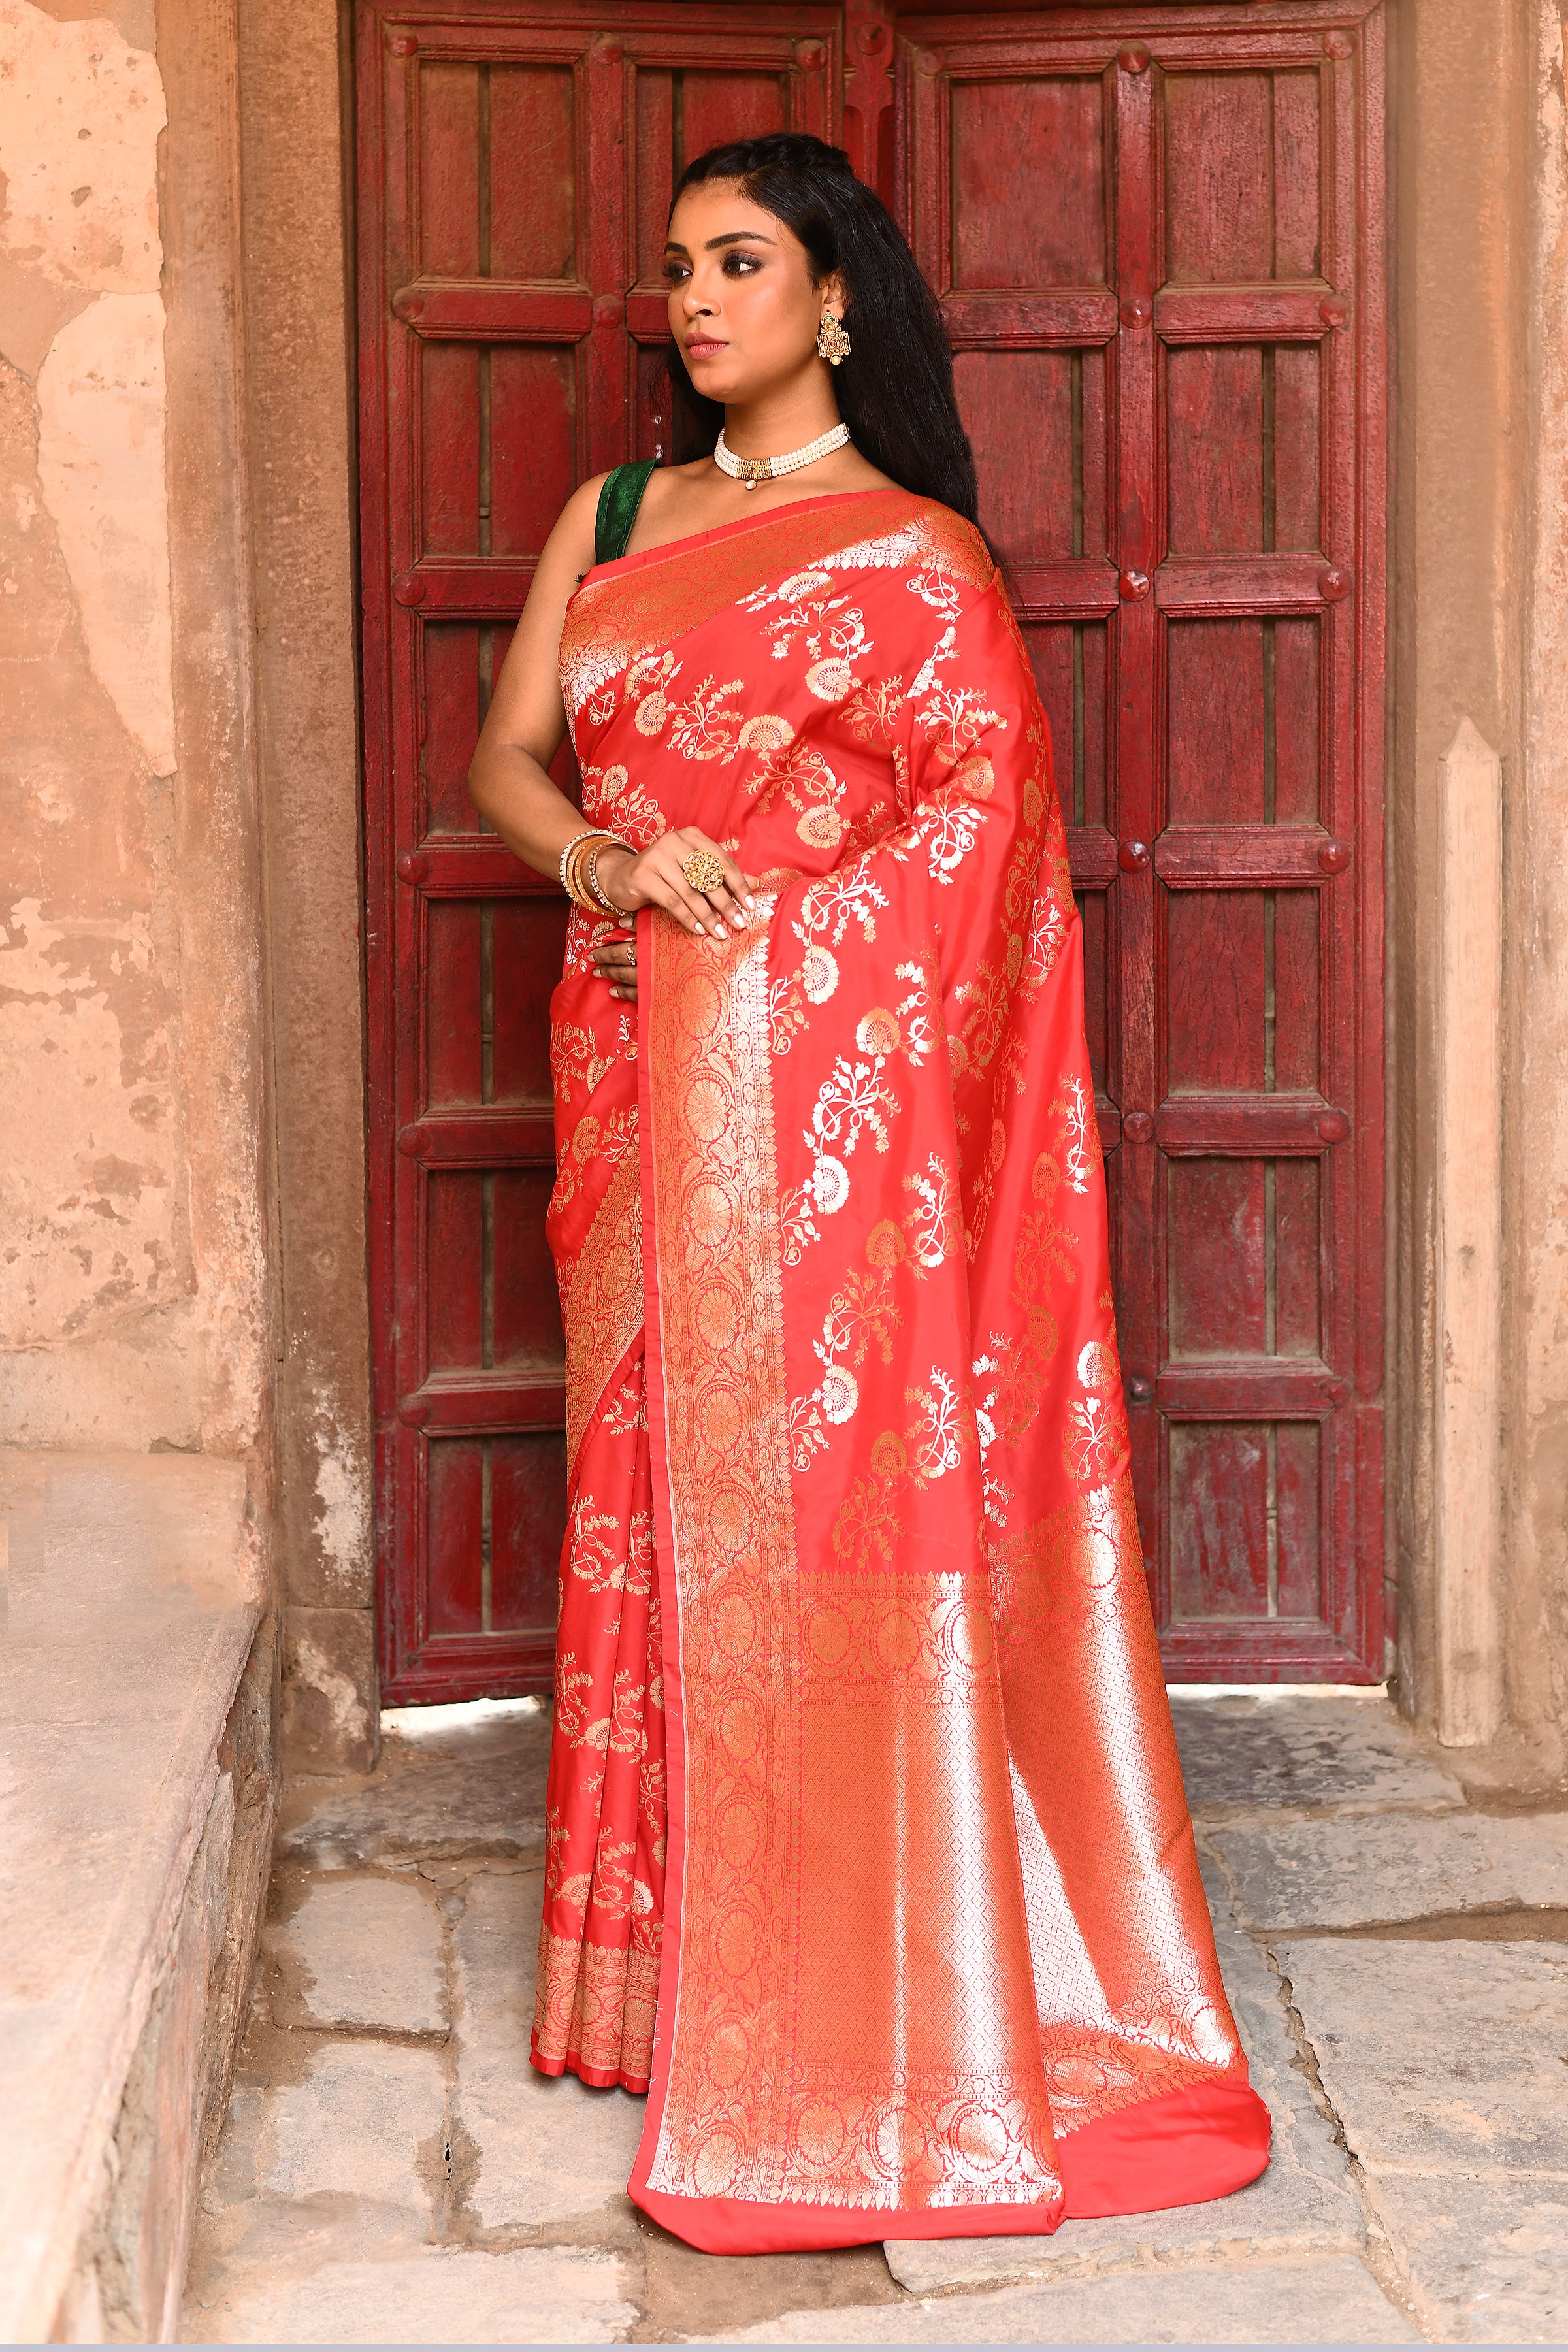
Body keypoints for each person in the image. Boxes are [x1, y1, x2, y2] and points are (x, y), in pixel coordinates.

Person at [468, 131, 1269, 2258]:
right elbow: (509, 759)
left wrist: (783, 959)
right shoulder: (618, 518)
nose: (693, 299)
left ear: (839, 302)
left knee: (807, 1495)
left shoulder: (916, 558)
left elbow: (985, 854)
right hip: (636, 1061)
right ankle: (651, 1979)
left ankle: (822, 1947)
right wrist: (610, 865)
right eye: (677, 267)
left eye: (741, 263)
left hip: (818, 1117)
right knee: (645, 1470)